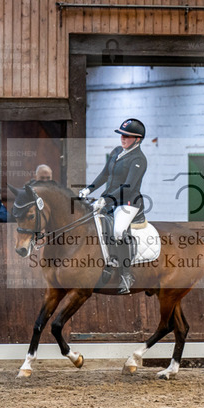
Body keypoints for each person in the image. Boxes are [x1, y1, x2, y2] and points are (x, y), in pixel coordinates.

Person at [78, 118, 148, 294]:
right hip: (109, 199)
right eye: (121, 135)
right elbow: (104, 174)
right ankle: (107, 262)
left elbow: (128, 187)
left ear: (137, 139)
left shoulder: (139, 159)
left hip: (128, 203)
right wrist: (88, 189)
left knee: (118, 231)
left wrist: (105, 199)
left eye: (127, 136)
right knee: (94, 226)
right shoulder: (117, 151)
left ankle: (126, 274)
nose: (122, 138)